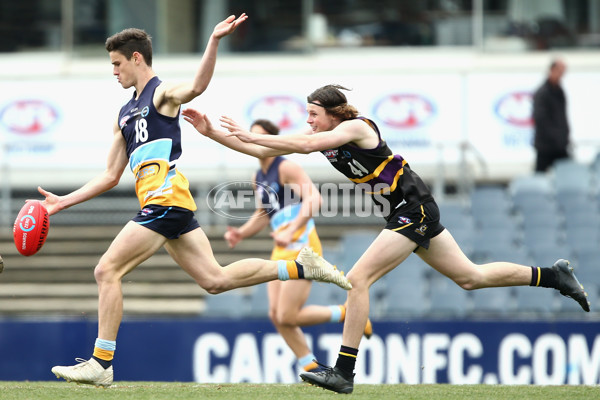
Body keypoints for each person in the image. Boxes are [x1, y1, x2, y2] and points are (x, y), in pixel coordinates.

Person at [182, 84, 590, 394]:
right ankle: (553, 276)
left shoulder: (356, 127)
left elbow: (304, 145)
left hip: (413, 211)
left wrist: (256, 137)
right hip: (405, 213)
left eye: (312, 114)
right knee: (470, 277)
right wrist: (210, 134)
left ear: (332, 113)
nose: (308, 121)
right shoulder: (331, 139)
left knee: (357, 279)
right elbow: (285, 145)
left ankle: (343, 371)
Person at [45, 18, 351, 388]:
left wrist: (213, 41)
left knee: (106, 271)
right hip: (169, 206)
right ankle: (299, 267)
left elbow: (198, 86)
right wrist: (63, 202)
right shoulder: (123, 115)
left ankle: (101, 361)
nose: (114, 71)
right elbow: (110, 176)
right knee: (215, 279)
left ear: (136, 58)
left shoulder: (162, 94)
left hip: (165, 201)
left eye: (117, 63)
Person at [224, 119, 372, 373]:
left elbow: (314, 198)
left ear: (271, 140)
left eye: (258, 136)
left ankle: (345, 313)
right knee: (275, 315)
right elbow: (263, 212)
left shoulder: (285, 167)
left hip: (302, 245)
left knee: (288, 316)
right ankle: (310, 365)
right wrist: (241, 233)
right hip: (281, 245)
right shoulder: (257, 176)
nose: (251, 140)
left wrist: (292, 229)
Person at [532, 58, 570, 173]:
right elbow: (540, 119)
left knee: (566, 174)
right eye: (560, 71)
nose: (562, 75)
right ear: (552, 70)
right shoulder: (543, 92)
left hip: (560, 145)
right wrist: (557, 136)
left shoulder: (559, 91)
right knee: (540, 176)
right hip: (546, 146)